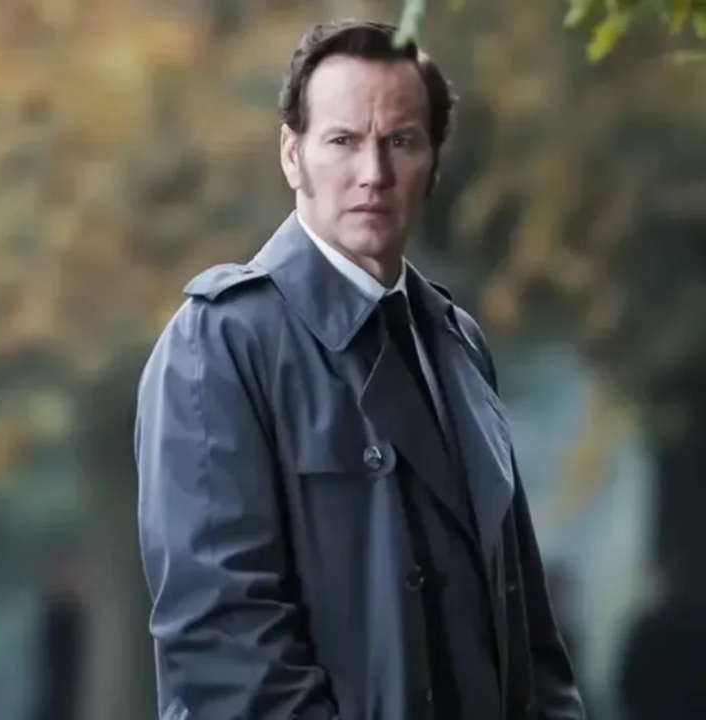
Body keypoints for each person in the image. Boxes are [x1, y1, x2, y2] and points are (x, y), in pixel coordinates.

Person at [134, 20, 584, 720]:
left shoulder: (457, 344)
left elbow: (529, 638)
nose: (373, 173)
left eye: (400, 141)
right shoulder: (219, 343)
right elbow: (225, 651)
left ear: (433, 161)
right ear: (293, 155)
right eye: (343, 141)